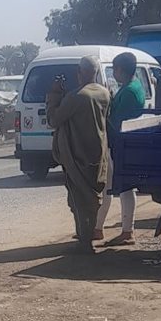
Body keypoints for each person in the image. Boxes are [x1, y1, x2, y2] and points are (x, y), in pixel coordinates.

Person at [45, 56, 110, 253]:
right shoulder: (104, 93)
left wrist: (55, 94)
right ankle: (87, 236)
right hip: (97, 154)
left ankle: (85, 241)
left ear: (80, 73)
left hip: (76, 156)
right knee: (92, 198)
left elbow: (53, 120)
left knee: (78, 200)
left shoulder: (76, 97)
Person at [96, 52, 146, 246]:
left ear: (121, 70)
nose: (114, 74)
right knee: (124, 189)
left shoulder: (128, 92)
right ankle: (121, 229)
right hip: (126, 143)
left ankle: (109, 229)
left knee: (109, 187)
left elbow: (115, 121)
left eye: (115, 70)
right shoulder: (134, 86)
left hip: (119, 144)